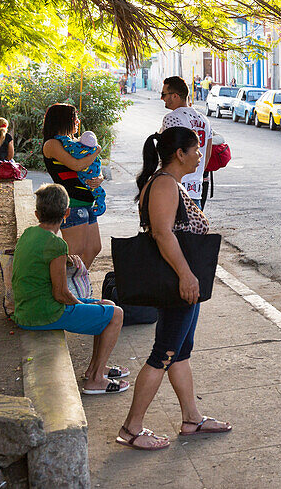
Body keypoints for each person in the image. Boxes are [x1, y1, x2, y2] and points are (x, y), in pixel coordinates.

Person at [117, 127, 231, 451]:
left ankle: (191, 418)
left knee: (180, 353)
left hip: (180, 284)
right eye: (195, 149)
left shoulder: (169, 183)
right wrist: (186, 275)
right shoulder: (165, 184)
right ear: (179, 154)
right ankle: (131, 428)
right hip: (175, 285)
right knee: (162, 355)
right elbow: (163, 234)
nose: (199, 155)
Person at [13, 183, 128, 394]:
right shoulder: (57, 244)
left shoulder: (29, 234)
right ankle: (95, 380)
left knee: (107, 304)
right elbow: (61, 294)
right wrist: (81, 304)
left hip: (27, 310)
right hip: (44, 314)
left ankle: (95, 369)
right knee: (116, 314)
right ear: (66, 213)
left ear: (37, 214)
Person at [41, 103, 104, 266]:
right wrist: (96, 151)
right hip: (72, 202)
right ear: (63, 121)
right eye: (75, 119)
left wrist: (100, 179)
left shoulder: (73, 143)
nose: (77, 122)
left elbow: (94, 167)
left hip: (87, 201)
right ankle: (61, 287)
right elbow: (77, 165)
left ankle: (75, 284)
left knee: (93, 248)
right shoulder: (52, 144)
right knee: (74, 251)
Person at [159, 75, 212, 209]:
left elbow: (170, 154)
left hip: (176, 189)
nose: (162, 98)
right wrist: (196, 174)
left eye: (164, 94)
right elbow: (207, 155)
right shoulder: (204, 120)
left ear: (175, 96)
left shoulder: (172, 118)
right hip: (196, 190)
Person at [59, 130, 106, 217]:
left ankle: (96, 208)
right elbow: (97, 164)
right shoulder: (94, 151)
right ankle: (99, 208)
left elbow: (67, 144)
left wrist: (62, 137)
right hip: (91, 177)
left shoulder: (76, 148)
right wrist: (97, 151)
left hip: (83, 177)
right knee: (100, 194)